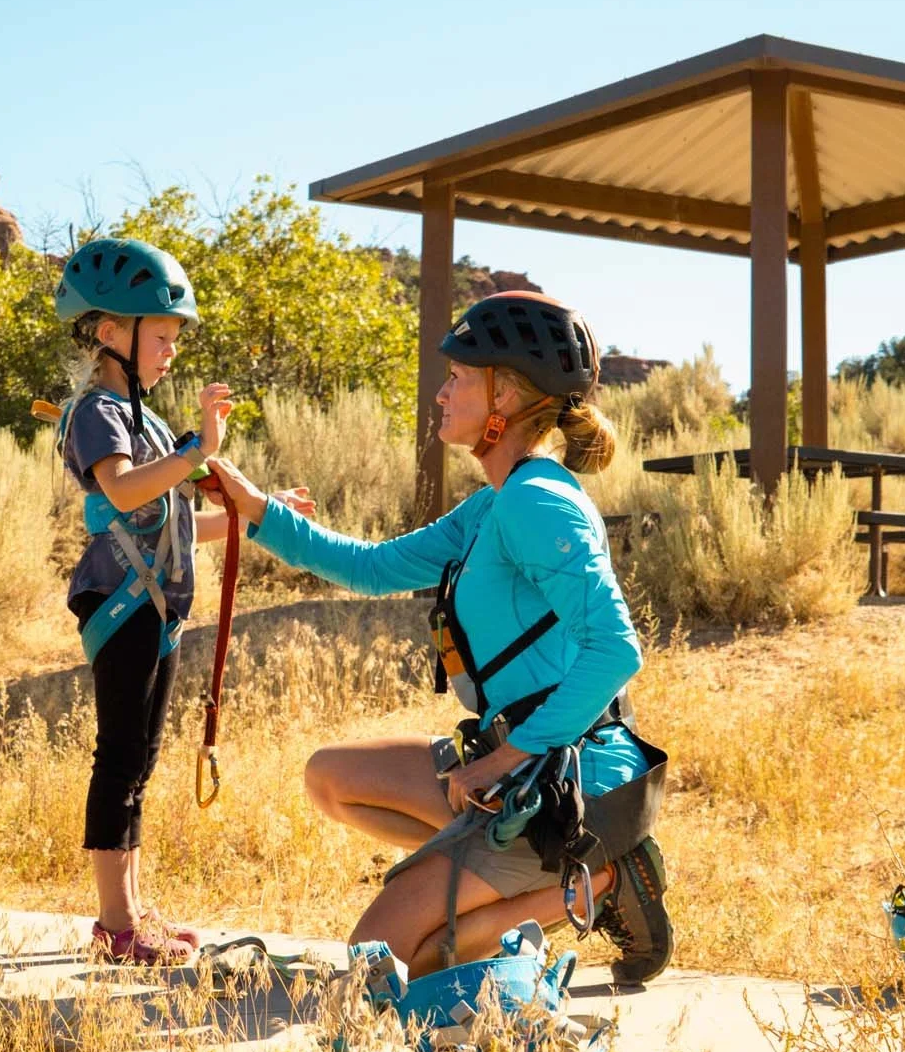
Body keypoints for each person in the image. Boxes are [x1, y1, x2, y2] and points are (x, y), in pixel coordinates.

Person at [206, 292, 672, 979]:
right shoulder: (492, 504)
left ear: (503, 397)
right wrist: (257, 511)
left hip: (571, 782)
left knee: (380, 967)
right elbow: (372, 568)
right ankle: (490, 864)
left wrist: (501, 760)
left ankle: (597, 882)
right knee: (330, 779)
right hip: (519, 766)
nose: (442, 391)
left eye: (459, 378)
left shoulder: (539, 503)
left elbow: (615, 648)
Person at [52, 236, 311, 966]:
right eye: (161, 336)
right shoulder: (97, 413)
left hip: (155, 609)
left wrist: (261, 515)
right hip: (121, 604)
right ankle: (116, 921)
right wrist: (198, 449)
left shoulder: (148, 422)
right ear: (111, 333)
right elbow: (126, 491)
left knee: (141, 759)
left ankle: (129, 913)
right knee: (121, 755)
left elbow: (174, 520)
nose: (170, 350)